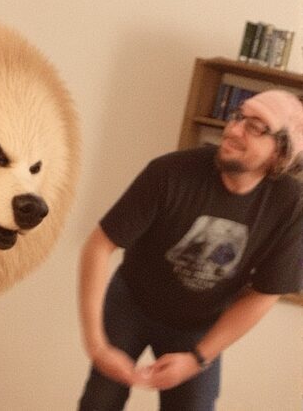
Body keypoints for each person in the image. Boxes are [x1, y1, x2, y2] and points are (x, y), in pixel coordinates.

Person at [78, 89, 303, 411]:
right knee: (99, 402)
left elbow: (265, 292)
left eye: (255, 127)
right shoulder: (170, 172)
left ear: (280, 153)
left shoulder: (291, 205)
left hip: (200, 323)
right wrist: (97, 346)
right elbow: (100, 245)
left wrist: (198, 359)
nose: (234, 129)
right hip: (132, 302)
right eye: (238, 116)